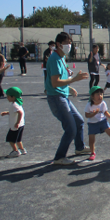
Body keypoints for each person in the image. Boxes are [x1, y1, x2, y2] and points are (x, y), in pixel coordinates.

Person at [45, 32, 91, 165]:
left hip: (62, 95)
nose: (69, 45)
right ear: (58, 44)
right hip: (56, 98)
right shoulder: (54, 59)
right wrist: (74, 80)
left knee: (79, 122)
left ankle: (80, 147)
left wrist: (68, 88)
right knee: (71, 129)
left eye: (70, 43)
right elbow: (55, 82)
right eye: (66, 43)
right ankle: (59, 157)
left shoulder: (61, 57)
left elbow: (59, 80)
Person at [85, 86, 110, 161]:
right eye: (97, 94)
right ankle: (92, 152)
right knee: (91, 139)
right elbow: (86, 115)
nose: (100, 96)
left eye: (101, 94)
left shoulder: (103, 103)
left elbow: (105, 112)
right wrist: (93, 114)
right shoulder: (89, 105)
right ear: (92, 96)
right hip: (92, 123)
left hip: (102, 121)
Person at [0, 87, 26, 157]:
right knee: (18, 139)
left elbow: (20, 113)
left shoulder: (14, 105)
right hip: (21, 125)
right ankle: (22, 149)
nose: (7, 98)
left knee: (11, 140)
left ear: (13, 97)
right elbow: (14, 112)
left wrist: (17, 122)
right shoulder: (18, 102)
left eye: (8, 96)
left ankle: (16, 151)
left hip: (15, 126)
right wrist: (7, 113)